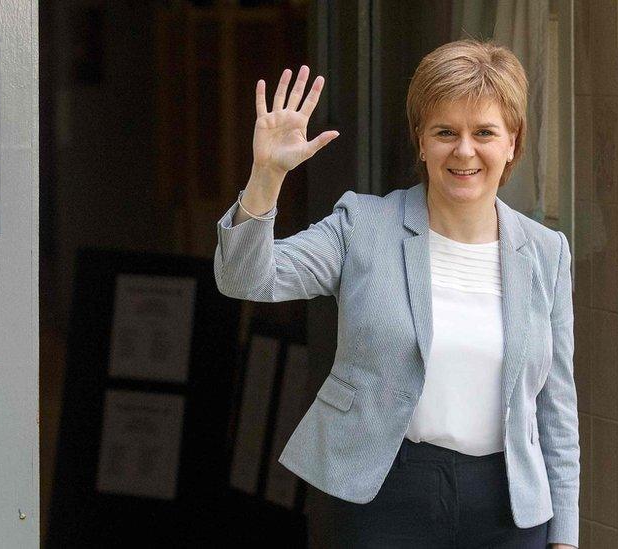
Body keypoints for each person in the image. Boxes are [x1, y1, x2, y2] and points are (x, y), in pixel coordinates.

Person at [214, 39, 579, 549]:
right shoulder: (362, 226)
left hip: (508, 506)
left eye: (484, 133)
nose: (464, 150)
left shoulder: (547, 252)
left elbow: (556, 408)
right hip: (385, 494)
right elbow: (246, 279)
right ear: (421, 141)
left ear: (513, 142)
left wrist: (564, 537)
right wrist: (266, 175)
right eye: (445, 132)